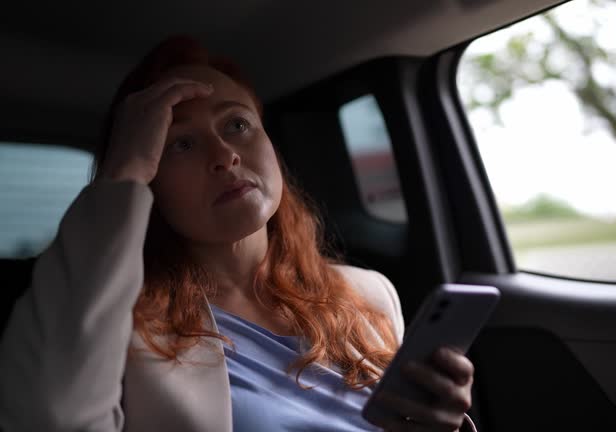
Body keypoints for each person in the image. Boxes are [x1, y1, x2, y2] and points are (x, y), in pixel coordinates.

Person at [0, 37, 477, 432]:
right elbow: (52, 417)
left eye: (238, 124)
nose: (224, 154)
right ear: (149, 181)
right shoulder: (120, 328)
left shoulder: (368, 293)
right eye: (181, 143)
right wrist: (123, 172)